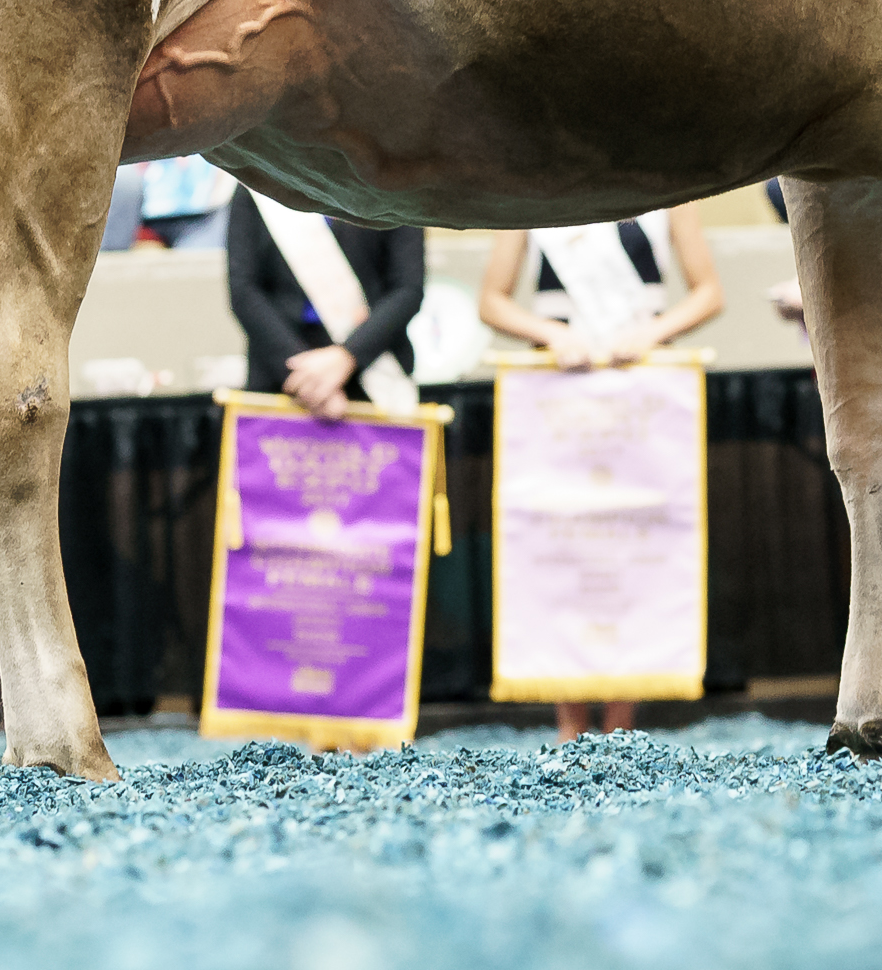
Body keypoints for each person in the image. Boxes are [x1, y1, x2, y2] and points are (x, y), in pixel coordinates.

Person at [474, 205, 725, 740]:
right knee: (562, 544)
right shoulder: (532, 190)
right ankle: (568, 725)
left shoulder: (670, 189)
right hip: (558, 394)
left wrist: (654, 331)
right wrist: (549, 332)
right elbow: (492, 300)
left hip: (639, 393)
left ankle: (621, 725)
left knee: (633, 545)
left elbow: (708, 292)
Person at [223, 182, 426, 418]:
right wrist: (305, 378)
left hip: (374, 374)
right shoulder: (257, 181)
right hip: (282, 376)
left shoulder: (395, 181)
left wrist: (347, 356)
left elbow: (407, 289)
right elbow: (244, 290)